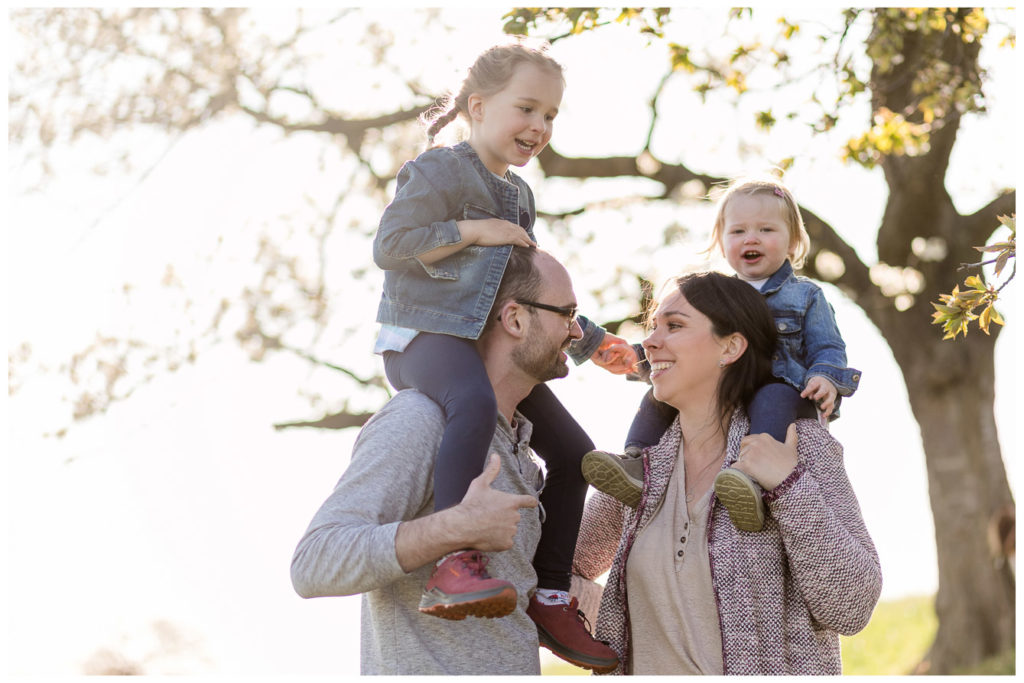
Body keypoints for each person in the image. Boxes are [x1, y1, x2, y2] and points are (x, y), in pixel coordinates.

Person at [370, 40, 625, 663]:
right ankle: (456, 563)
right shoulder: (438, 171)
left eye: (551, 117)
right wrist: (475, 231)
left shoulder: (521, 198)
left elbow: (526, 291)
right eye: (528, 109)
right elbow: (391, 244)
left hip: (483, 341)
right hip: (424, 338)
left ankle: (552, 595)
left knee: (575, 453)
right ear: (478, 107)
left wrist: (592, 341)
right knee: (474, 404)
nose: (539, 127)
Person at [292, 247, 619, 675]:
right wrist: (451, 529)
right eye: (567, 313)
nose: (577, 332)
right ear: (515, 319)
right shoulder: (421, 420)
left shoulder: (526, 452)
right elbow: (314, 562)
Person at [571, 271, 882, 675]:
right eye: (653, 327)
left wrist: (789, 485)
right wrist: (615, 630)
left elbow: (852, 606)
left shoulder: (797, 445)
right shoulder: (641, 472)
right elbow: (564, 570)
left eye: (675, 326)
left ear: (731, 346)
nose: (649, 341)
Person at [583, 177, 861, 532]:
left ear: (793, 241)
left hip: (780, 388)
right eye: (738, 231)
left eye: (766, 229)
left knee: (773, 397)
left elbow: (828, 348)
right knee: (659, 397)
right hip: (724, 389)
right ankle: (637, 464)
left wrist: (824, 377)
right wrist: (634, 358)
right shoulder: (714, 296)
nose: (751, 238)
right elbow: (686, 348)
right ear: (721, 241)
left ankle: (752, 479)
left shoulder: (806, 296)